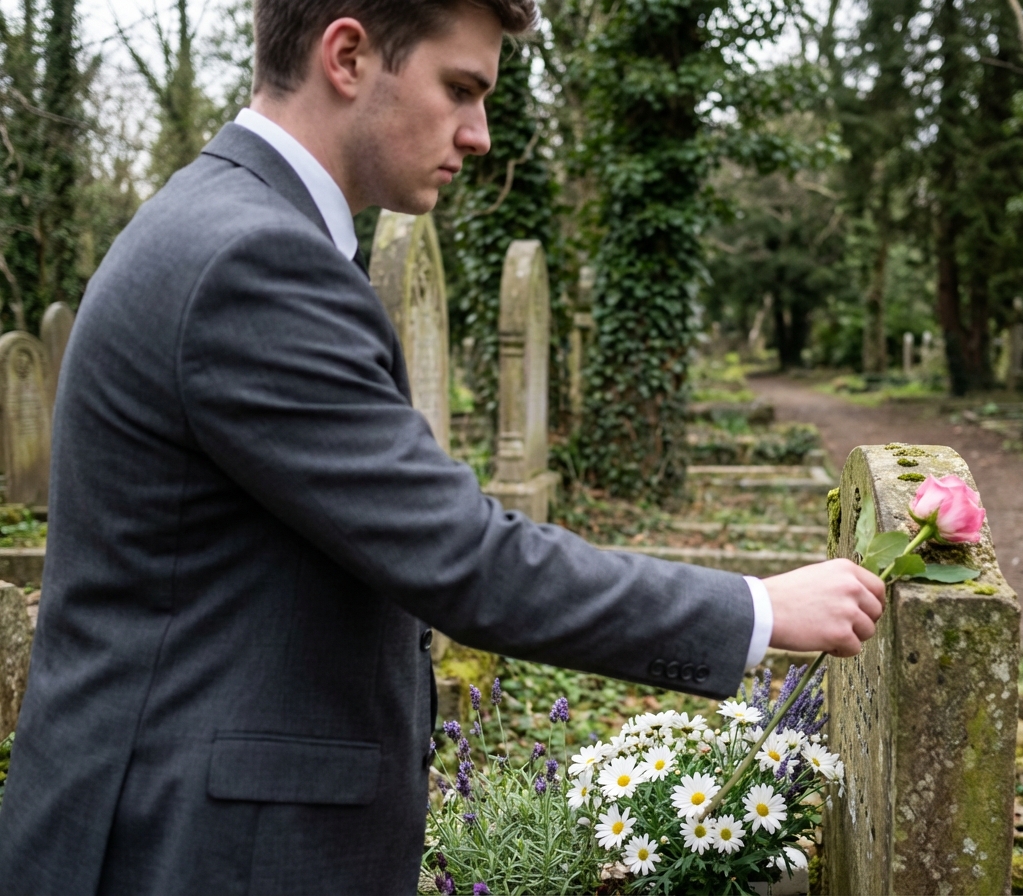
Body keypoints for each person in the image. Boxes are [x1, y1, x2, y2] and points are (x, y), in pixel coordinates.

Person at [0, 1, 884, 892]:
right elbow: (460, 555)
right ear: (347, 55)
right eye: (459, 88)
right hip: (189, 846)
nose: (481, 133)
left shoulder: (232, 223)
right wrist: (758, 611)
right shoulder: (251, 258)